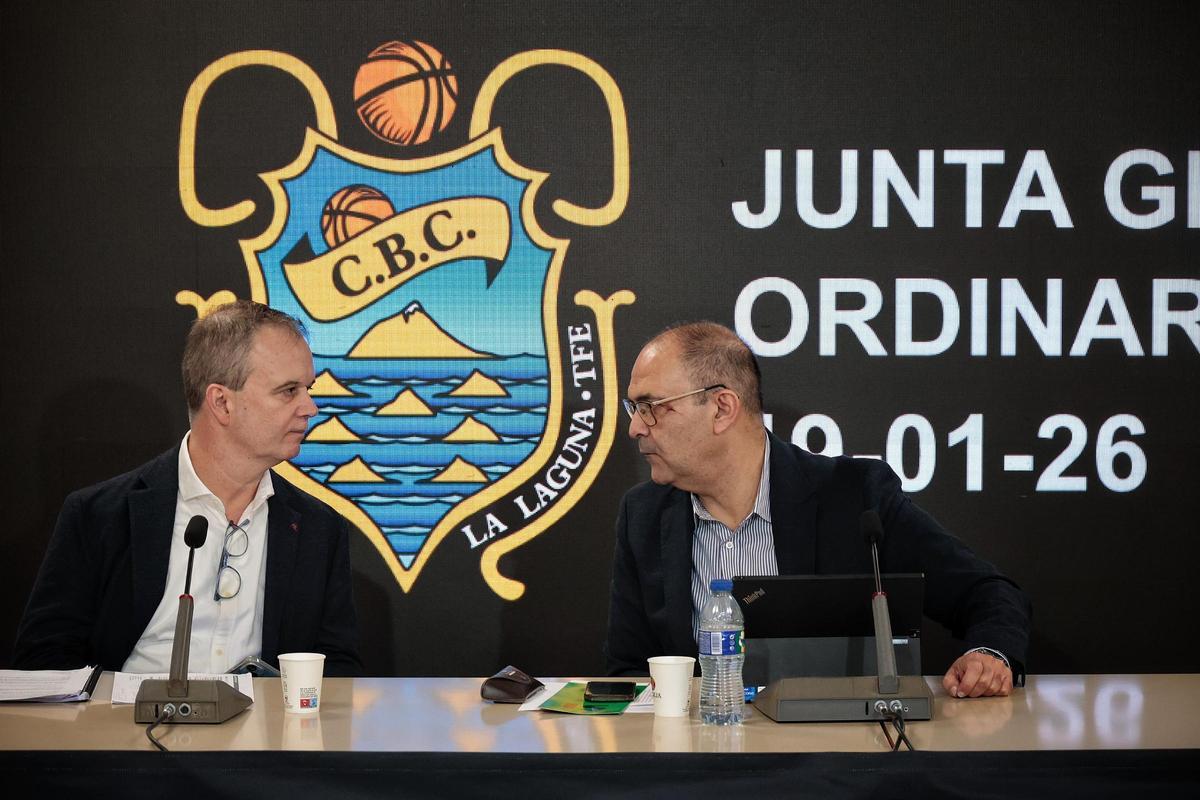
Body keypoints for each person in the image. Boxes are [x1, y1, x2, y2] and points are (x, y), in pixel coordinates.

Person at [604, 322, 1031, 698]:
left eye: (651, 407)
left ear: (721, 408)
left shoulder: (856, 497)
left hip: (838, 766)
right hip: (701, 766)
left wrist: (988, 653)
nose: (635, 427)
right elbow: (627, 672)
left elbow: (988, 593)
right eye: (635, 409)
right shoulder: (643, 516)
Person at [13, 300, 363, 676]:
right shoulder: (99, 515)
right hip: (124, 730)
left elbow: (339, 672)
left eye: (307, 388)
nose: (310, 407)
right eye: (288, 391)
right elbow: (43, 665)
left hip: (264, 732)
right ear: (222, 403)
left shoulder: (319, 529)